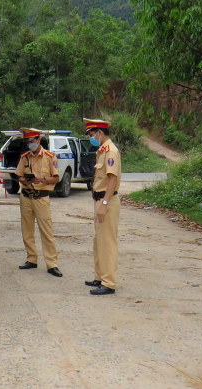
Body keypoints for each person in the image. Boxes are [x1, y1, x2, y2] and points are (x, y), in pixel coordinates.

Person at [15, 128, 63, 277]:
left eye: (31, 141)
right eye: (27, 142)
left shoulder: (49, 157)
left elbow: (56, 178)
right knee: (27, 231)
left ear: (38, 140)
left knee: (46, 232)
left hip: (41, 197)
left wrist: (42, 179)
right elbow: (19, 176)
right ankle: (31, 259)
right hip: (26, 197)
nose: (30, 144)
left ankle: (52, 264)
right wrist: (25, 179)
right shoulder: (25, 158)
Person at [83, 118, 122, 296]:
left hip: (107, 201)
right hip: (99, 200)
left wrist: (104, 204)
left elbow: (112, 180)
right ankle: (100, 277)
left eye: (92, 135)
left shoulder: (111, 152)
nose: (91, 138)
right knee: (99, 241)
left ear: (99, 132)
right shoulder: (102, 151)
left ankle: (109, 283)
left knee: (107, 242)